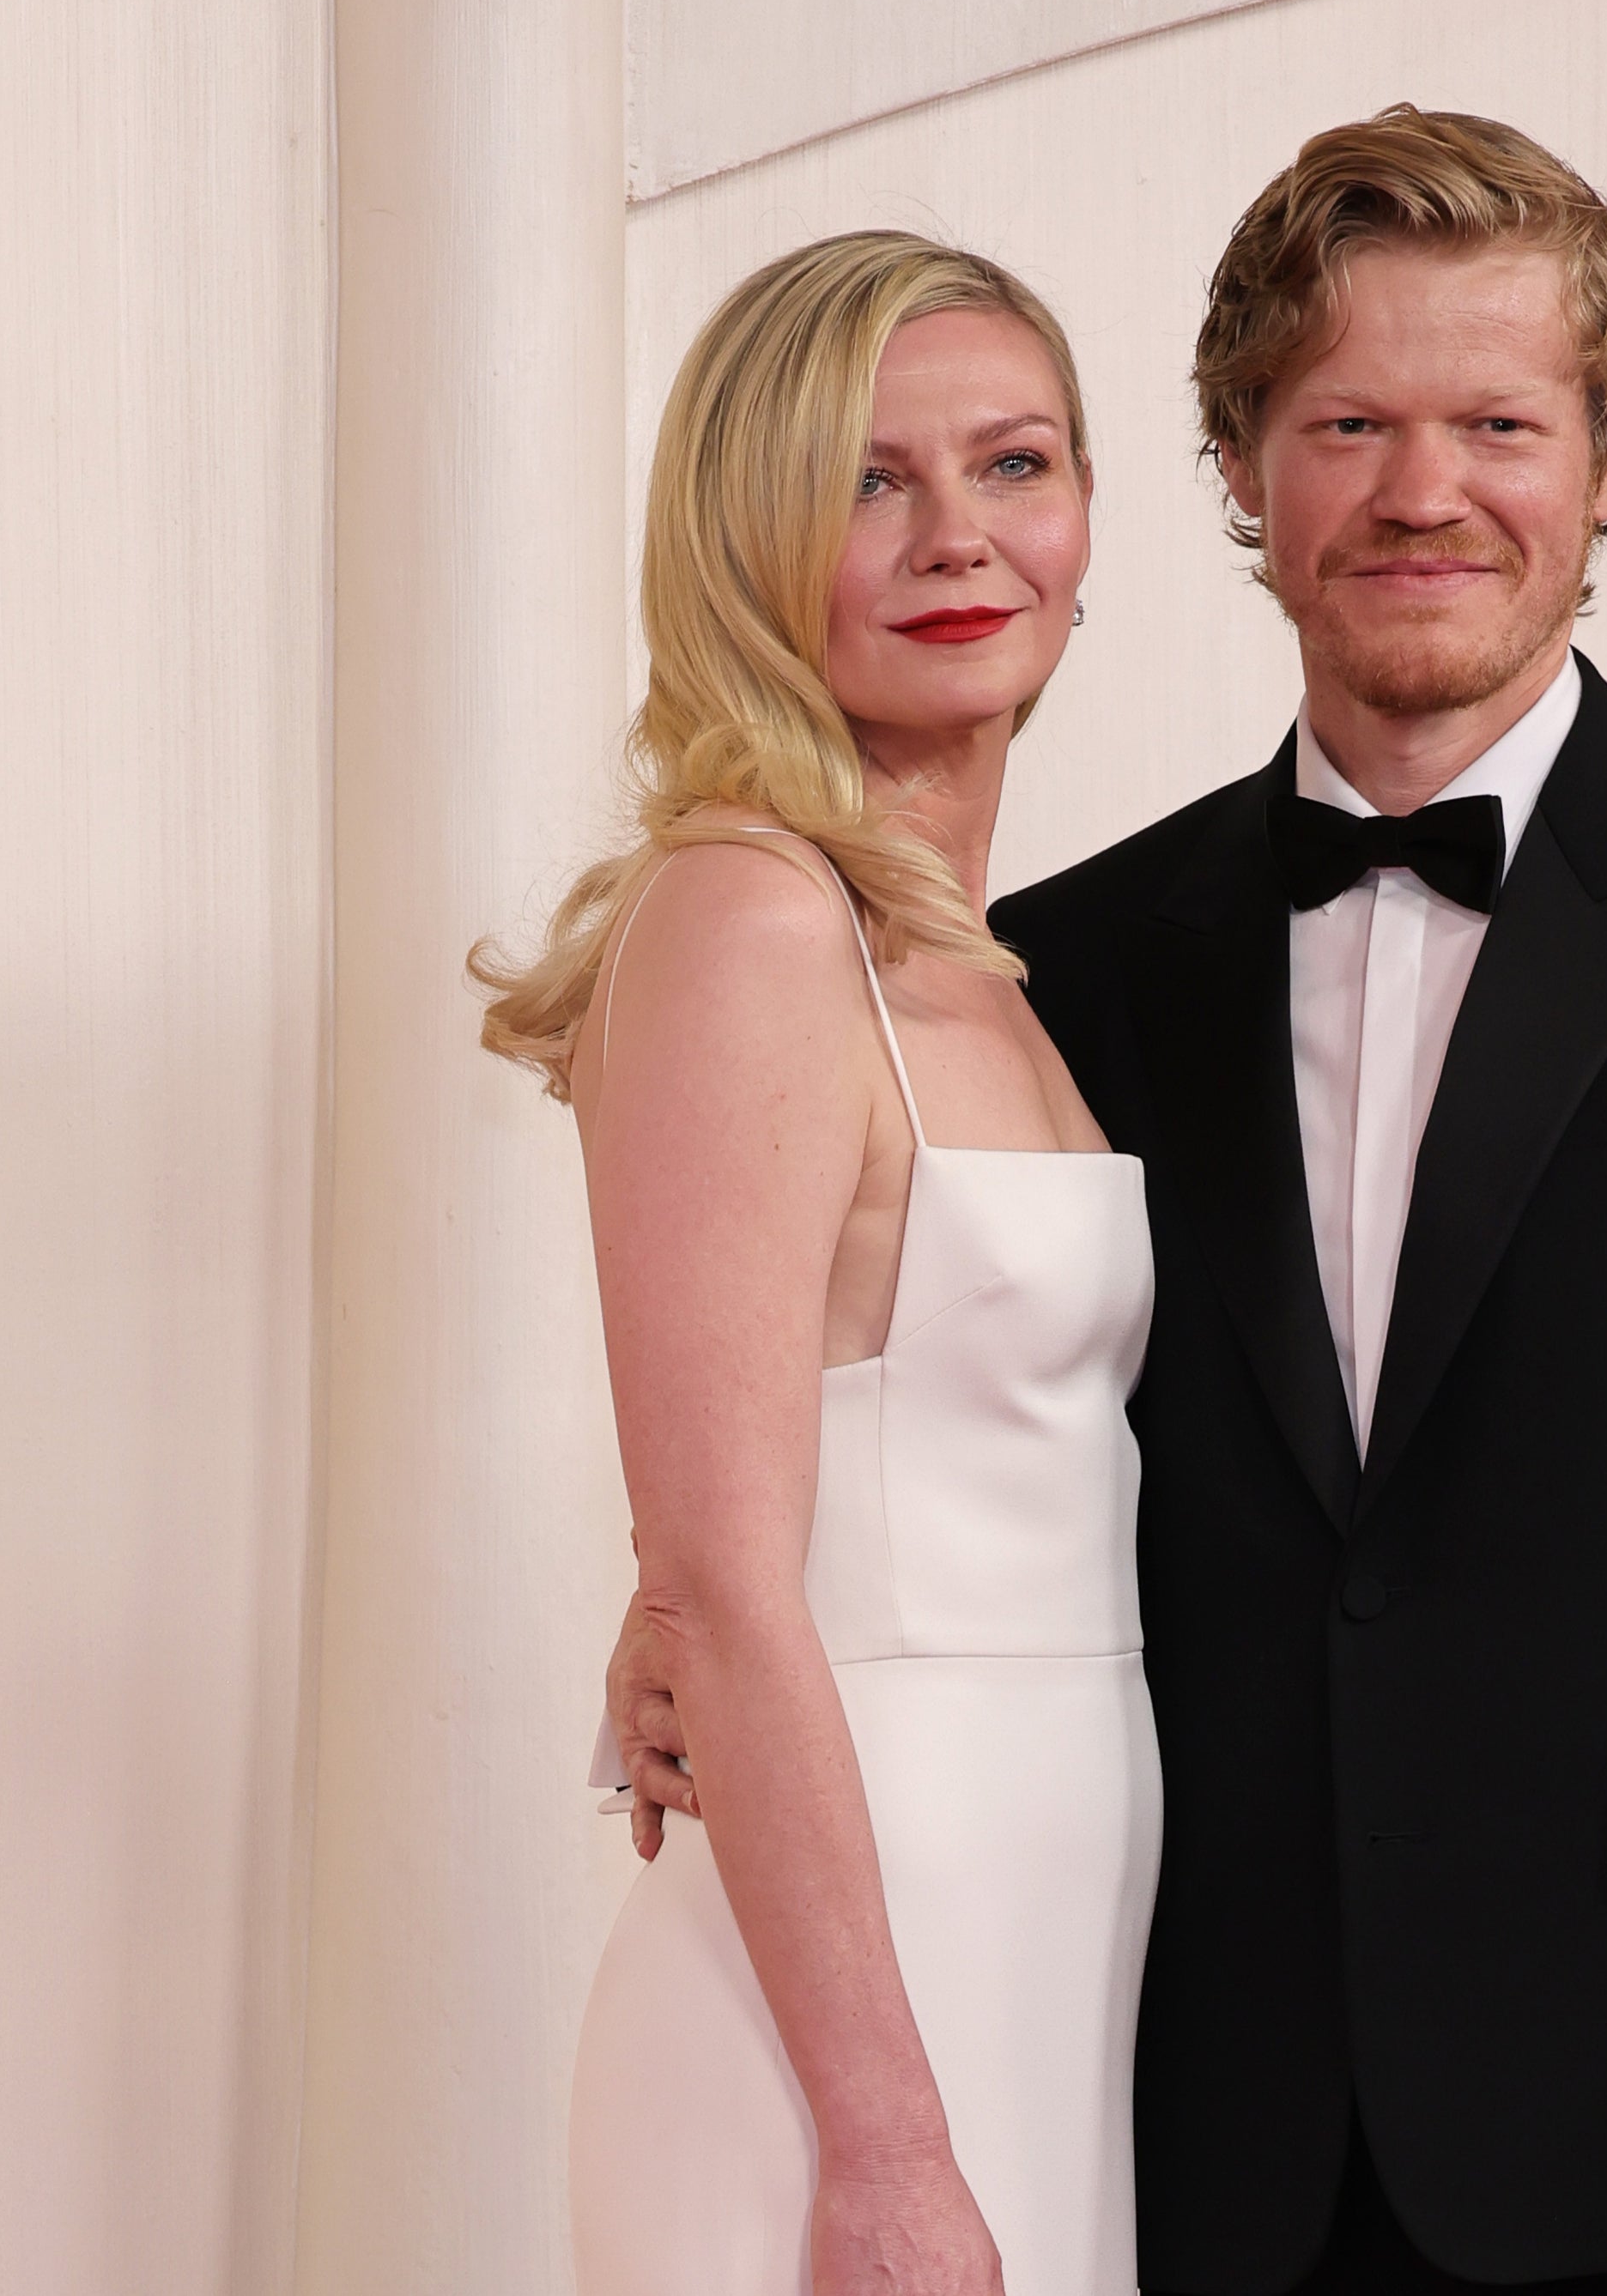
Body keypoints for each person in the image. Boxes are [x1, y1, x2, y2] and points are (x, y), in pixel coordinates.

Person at [615, 107, 1607, 2296]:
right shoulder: (1067, 962)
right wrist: (680, 1605)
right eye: (1346, 423)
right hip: (1162, 2122)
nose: (1419, 491)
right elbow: (918, 1394)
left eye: (1498, 420)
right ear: (1234, 477)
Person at [479, 232, 1154, 2296]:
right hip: (852, 2010)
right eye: (870, 480)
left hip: (1043, 1941)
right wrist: (877, 2142)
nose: (959, 536)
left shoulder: (977, 962)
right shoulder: (752, 918)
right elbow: (729, 1573)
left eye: (1013, 462)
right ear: (744, 537)